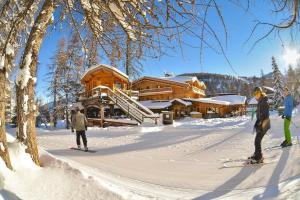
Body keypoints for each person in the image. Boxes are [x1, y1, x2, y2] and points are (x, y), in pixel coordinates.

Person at [249, 87, 270, 164]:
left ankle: (259, 158)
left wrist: (260, 123)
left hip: (264, 124)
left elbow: (265, 114)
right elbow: (260, 113)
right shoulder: (261, 101)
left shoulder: (264, 101)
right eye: (254, 94)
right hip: (261, 123)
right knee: (257, 140)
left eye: (257, 93)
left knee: (257, 141)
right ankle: (257, 154)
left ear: (260, 93)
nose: (256, 95)